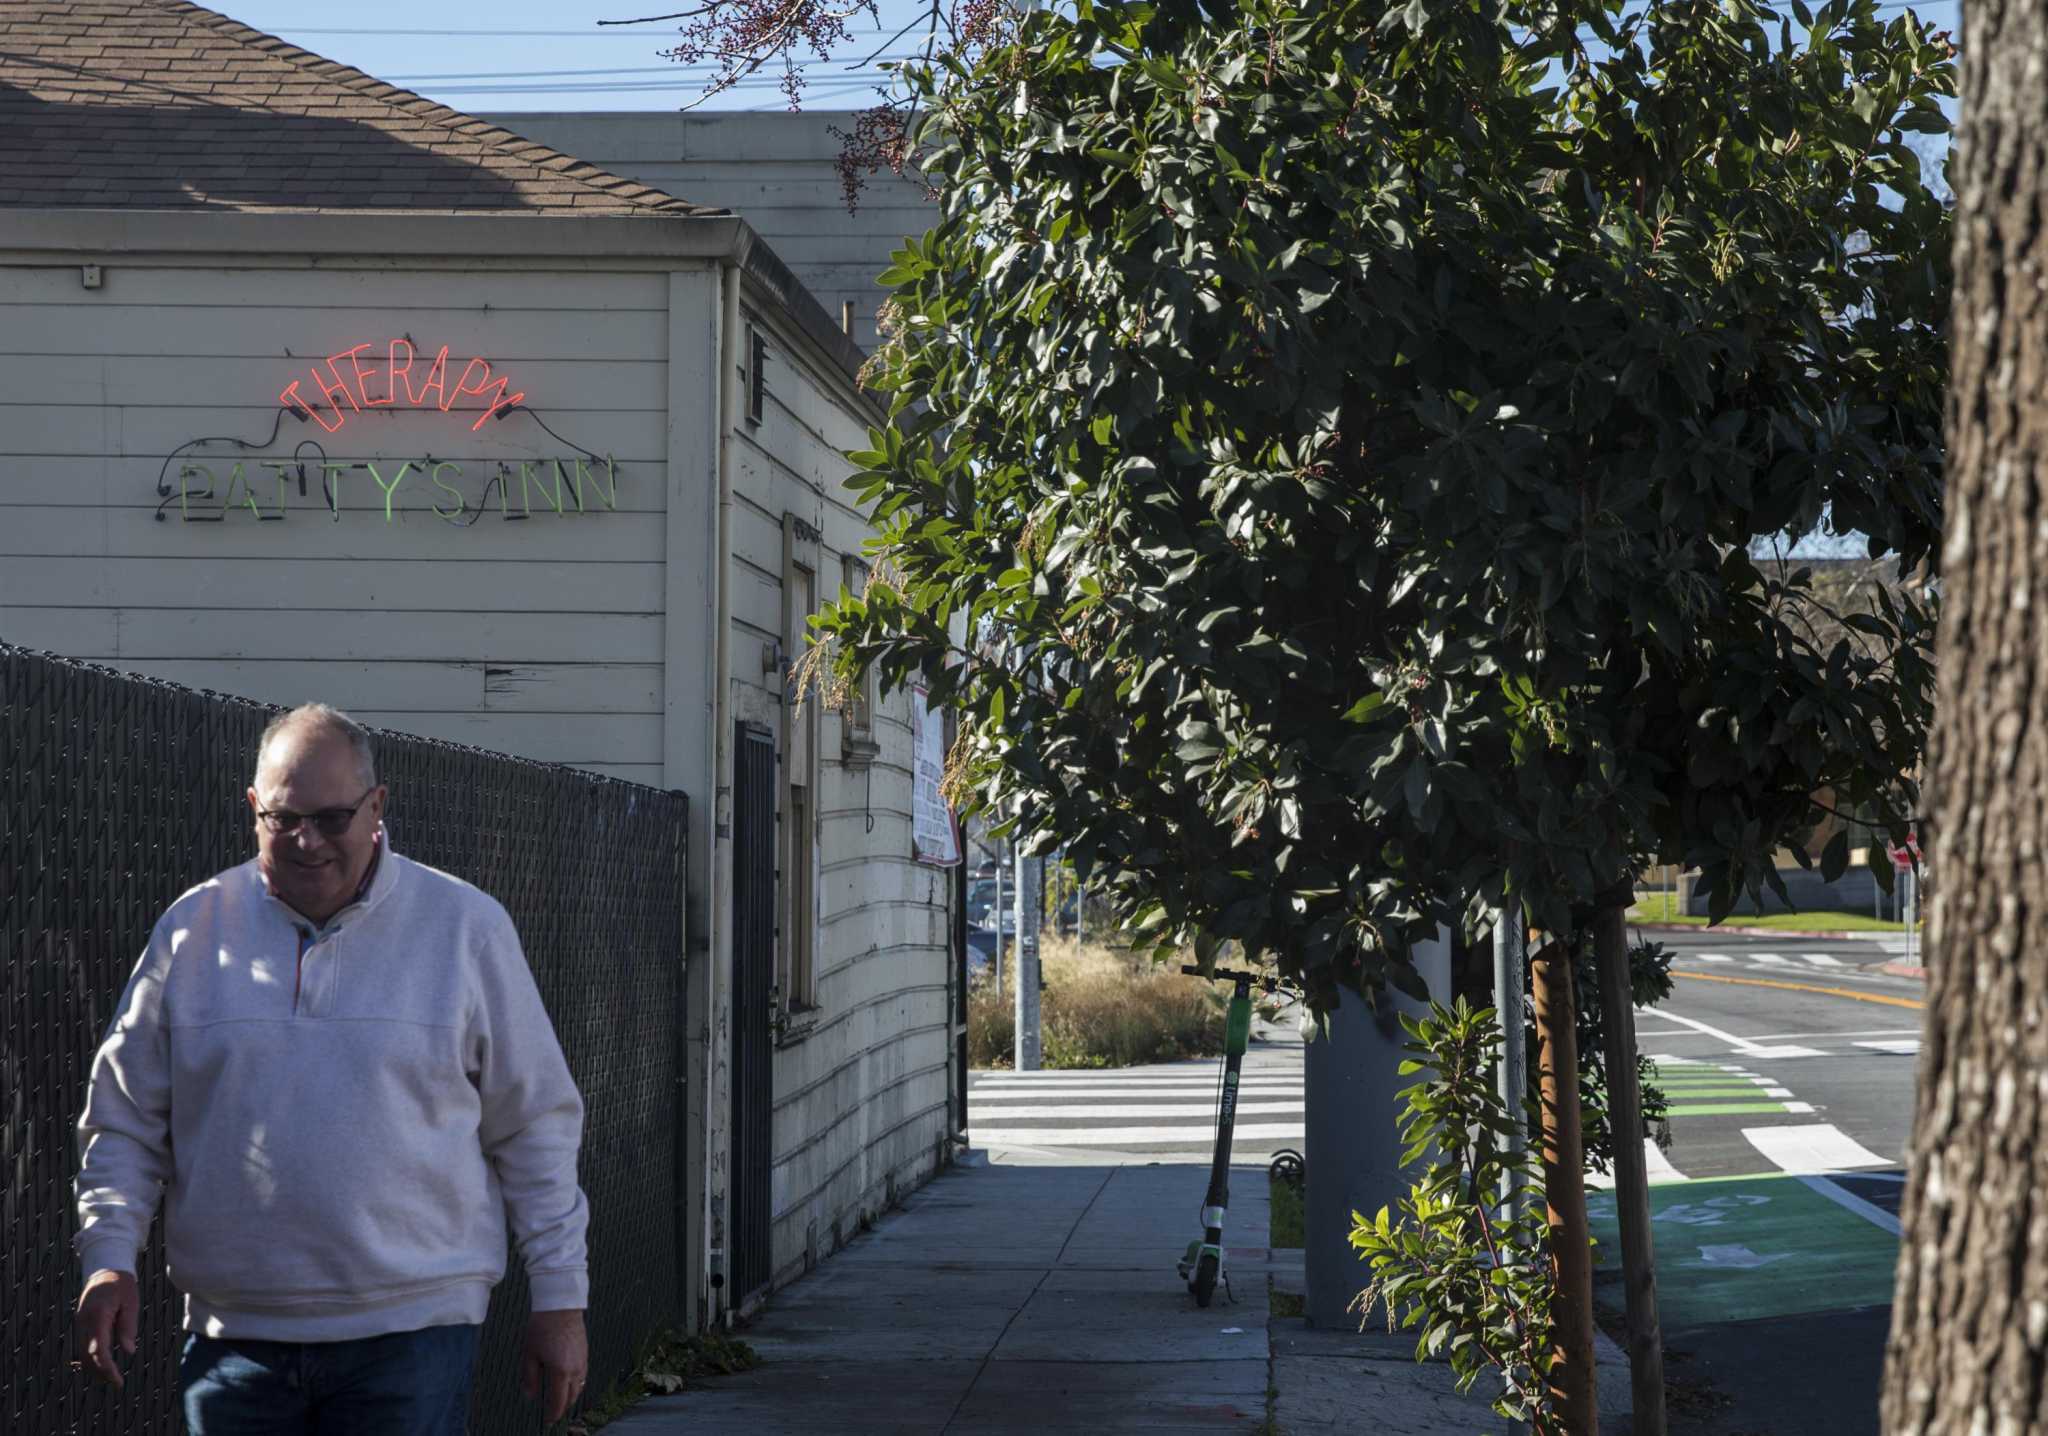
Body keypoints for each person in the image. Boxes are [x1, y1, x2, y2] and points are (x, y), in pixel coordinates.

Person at [72, 703, 591, 1433]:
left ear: (376, 808)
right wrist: (108, 1258)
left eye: (332, 817)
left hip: (412, 1337)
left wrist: (560, 1300)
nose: (306, 840)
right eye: (282, 819)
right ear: (253, 808)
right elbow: (124, 1120)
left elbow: (534, 1125)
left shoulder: (464, 929)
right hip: (233, 1348)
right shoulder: (192, 932)